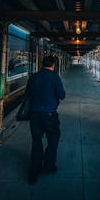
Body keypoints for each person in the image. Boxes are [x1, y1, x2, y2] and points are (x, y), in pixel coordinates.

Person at [26, 55, 66, 184]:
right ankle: (49, 164)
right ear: (53, 65)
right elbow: (62, 95)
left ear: (42, 64)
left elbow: (27, 94)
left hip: (35, 114)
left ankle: (34, 170)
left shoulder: (34, 77)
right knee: (53, 139)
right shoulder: (54, 77)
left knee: (36, 141)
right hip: (49, 114)